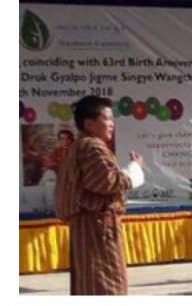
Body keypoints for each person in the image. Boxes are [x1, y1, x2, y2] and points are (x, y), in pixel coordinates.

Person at [53, 95, 145, 295]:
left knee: (90, 283)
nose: (112, 124)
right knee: (106, 283)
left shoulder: (78, 147)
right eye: (107, 118)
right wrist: (134, 169)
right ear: (89, 124)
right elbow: (106, 182)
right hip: (97, 227)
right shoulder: (92, 146)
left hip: (88, 226)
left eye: (112, 119)